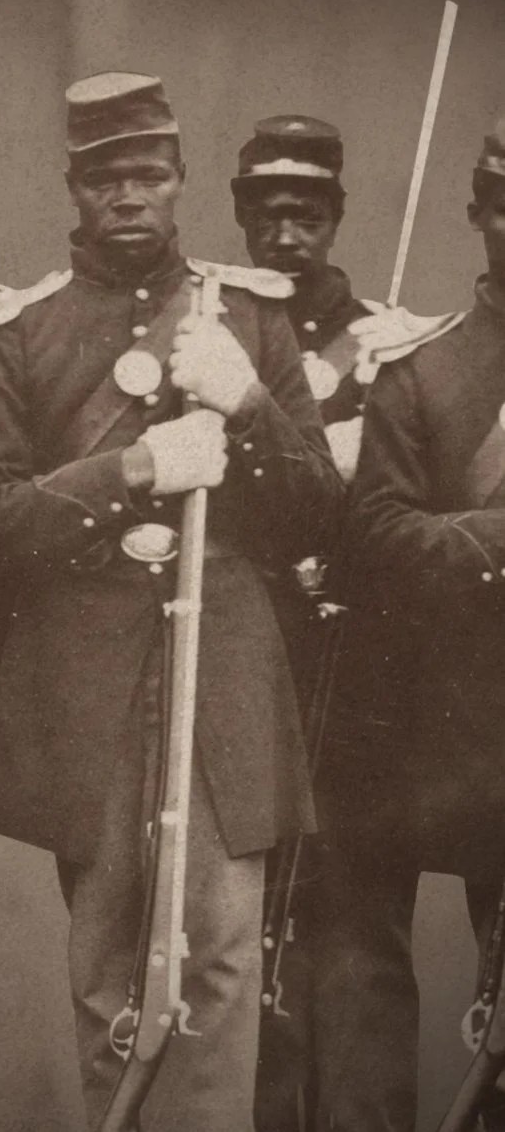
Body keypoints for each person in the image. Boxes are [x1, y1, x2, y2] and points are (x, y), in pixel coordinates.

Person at [0, 72, 340, 1130]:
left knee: (219, 964)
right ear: (74, 188)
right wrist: (130, 471)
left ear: (179, 181)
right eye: (105, 177)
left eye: (149, 174)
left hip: (223, 681)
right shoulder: (18, 330)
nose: (128, 195)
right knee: (109, 967)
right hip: (87, 689)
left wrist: (246, 402)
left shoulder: (247, 317)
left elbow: (320, 512)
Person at [235, 114, 424, 1132]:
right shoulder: (216, 336)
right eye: (266, 212)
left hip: (361, 686)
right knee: (250, 942)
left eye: (305, 213)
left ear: (337, 216)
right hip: (253, 670)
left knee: (359, 946)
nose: (285, 234)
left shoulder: (396, 346)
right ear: (238, 215)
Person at [342, 113, 505, 1132]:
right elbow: (378, 530)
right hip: (440, 729)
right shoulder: (421, 369)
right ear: (479, 214)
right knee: (367, 988)